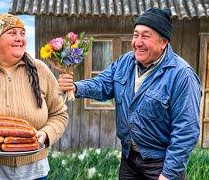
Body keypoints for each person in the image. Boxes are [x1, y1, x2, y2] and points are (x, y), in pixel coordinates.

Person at [58, 8, 201, 180]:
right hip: (129, 159)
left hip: (161, 164)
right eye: (135, 35)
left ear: (163, 42)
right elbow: (103, 84)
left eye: (145, 36)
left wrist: (168, 174)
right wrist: (75, 87)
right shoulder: (125, 62)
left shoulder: (182, 75)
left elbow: (186, 130)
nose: (137, 42)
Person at [0, 13, 68, 180]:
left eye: (22, 33)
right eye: (12, 33)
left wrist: (44, 135)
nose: (20, 38)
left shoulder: (41, 70)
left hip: (35, 171)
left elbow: (59, 115)